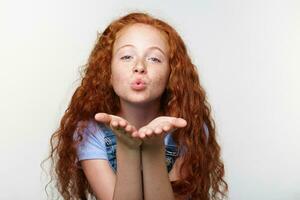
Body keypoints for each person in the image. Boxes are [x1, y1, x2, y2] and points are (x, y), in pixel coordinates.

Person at [46, 12, 228, 200]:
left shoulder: (188, 129)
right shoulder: (90, 132)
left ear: (171, 76)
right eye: (126, 57)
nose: (139, 66)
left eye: (154, 58)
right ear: (107, 71)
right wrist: (127, 147)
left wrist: (153, 148)